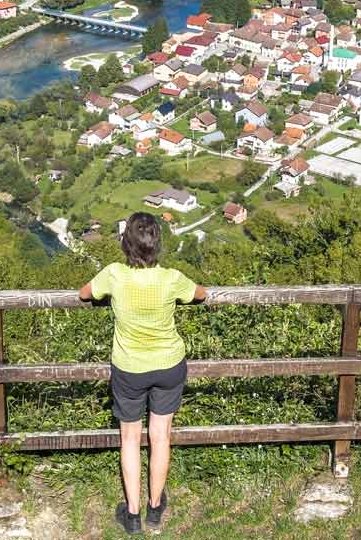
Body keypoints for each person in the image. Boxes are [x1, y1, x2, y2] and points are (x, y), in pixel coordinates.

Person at [79, 212, 206, 534]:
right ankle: (154, 509)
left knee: (130, 439)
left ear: (126, 244)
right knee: (161, 436)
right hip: (168, 364)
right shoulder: (171, 278)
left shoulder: (114, 275)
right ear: (157, 244)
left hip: (130, 367)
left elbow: (84, 294)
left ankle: (132, 515)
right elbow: (201, 294)